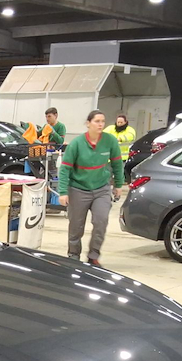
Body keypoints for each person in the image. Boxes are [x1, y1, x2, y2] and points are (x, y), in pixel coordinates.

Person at [57, 109, 124, 266]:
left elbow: (117, 164)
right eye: (97, 121)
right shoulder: (77, 144)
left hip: (101, 189)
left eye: (103, 121)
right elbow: (65, 169)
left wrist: (119, 184)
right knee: (76, 226)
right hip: (78, 189)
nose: (100, 124)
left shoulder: (110, 141)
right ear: (88, 123)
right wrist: (63, 191)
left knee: (101, 221)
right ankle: (73, 255)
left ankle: (93, 255)